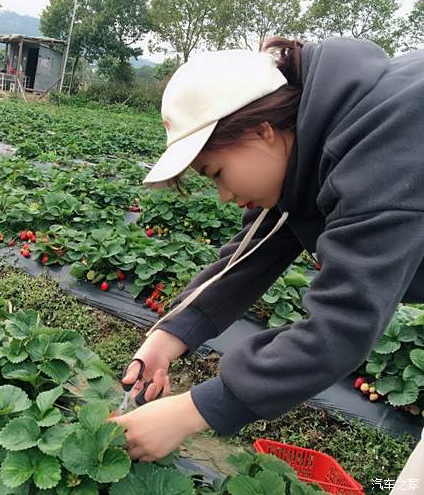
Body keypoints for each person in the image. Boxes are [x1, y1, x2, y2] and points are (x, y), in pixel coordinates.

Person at [109, 36, 424, 487]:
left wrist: (193, 410)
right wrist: (171, 334)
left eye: (216, 173)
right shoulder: (315, 135)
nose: (224, 195)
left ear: (261, 130)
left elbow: (342, 325)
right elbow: (256, 247)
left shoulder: (387, 143)